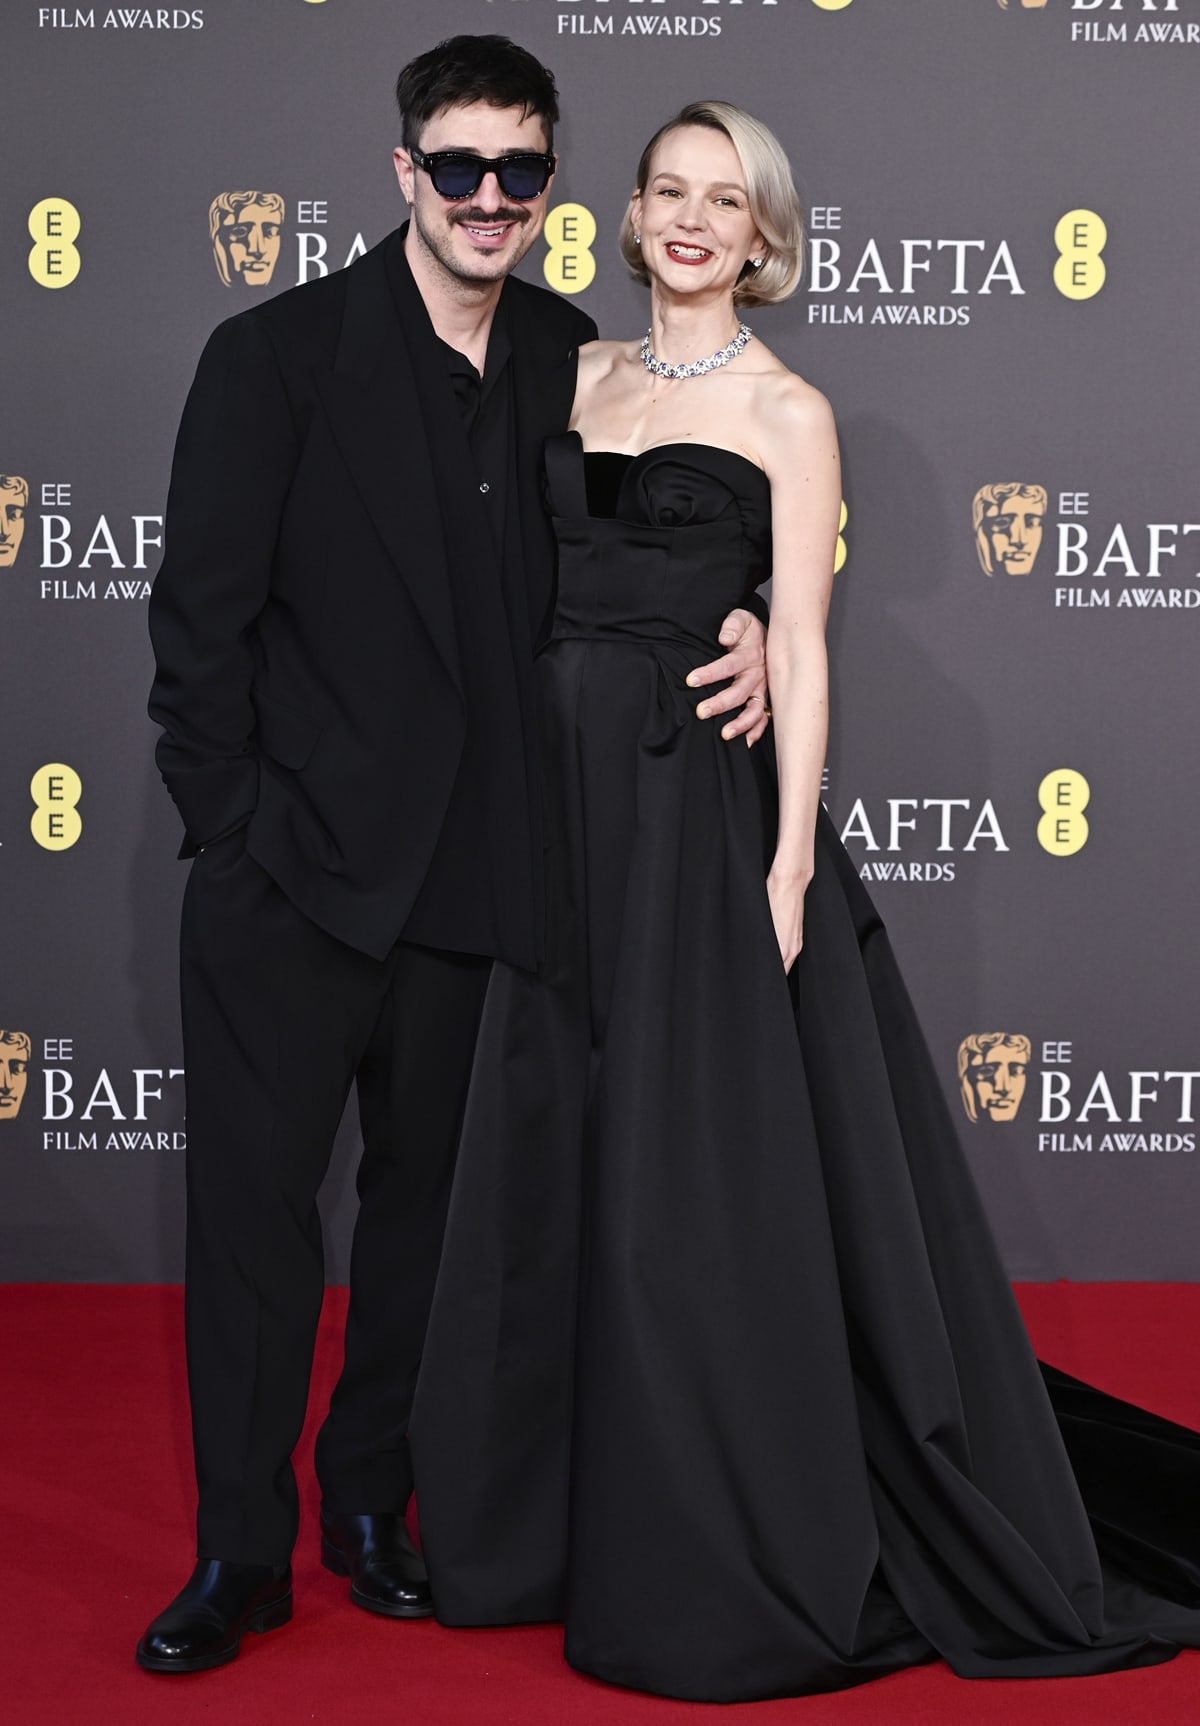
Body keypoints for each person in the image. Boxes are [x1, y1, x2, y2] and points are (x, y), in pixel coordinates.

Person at [409, 102, 1200, 1702]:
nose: (696, 222)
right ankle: (524, 1523)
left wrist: (783, 862)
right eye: (671, 194)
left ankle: (704, 1532)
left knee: (683, 1188)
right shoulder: (565, 374)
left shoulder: (790, 408)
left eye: (728, 203)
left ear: (762, 238)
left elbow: (811, 643)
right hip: (552, 826)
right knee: (551, 1150)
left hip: (692, 819)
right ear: (628, 218)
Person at [138, 42, 767, 1676]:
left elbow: (658, 549)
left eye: (522, 172)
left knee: (422, 1227)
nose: (491, 199)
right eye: (460, 166)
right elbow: (196, 632)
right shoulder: (274, 355)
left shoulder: (573, 357)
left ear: (553, 189)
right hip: (290, 883)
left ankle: (370, 1508)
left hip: (480, 880)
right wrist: (238, 833)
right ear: (403, 171)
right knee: (256, 1228)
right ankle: (241, 1548)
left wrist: (754, 624)